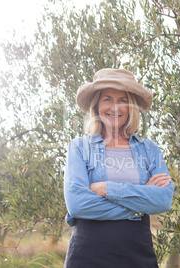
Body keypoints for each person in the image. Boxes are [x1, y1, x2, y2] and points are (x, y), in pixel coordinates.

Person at [63, 68, 174, 267]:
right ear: (96, 106)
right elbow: (77, 204)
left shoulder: (149, 150)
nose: (115, 107)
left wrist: (107, 189)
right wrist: (139, 207)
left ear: (131, 107)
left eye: (123, 100)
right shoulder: (79, 147)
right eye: (107, 99)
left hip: (138, 253)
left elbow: (163, 201)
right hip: (87, 254)